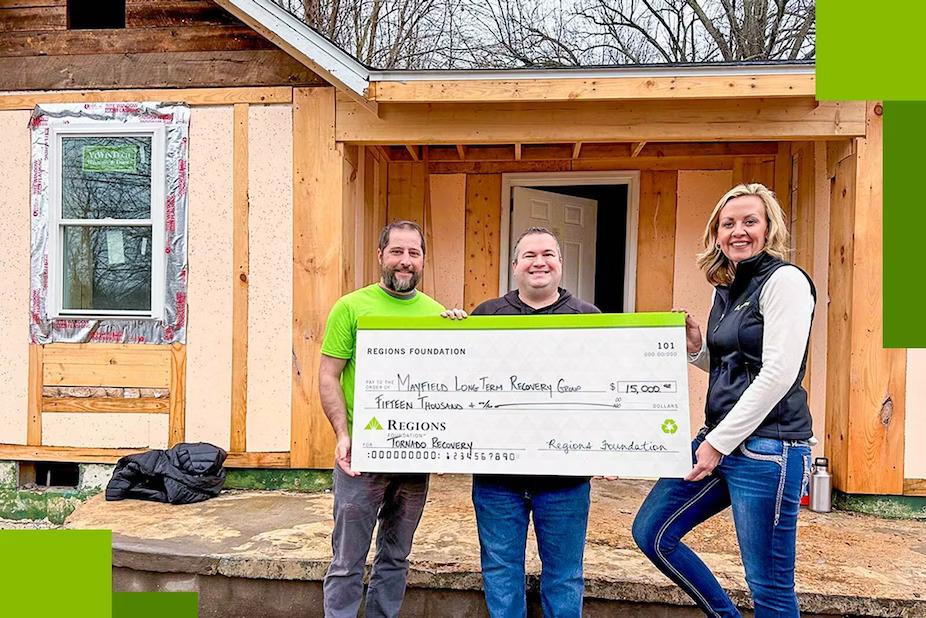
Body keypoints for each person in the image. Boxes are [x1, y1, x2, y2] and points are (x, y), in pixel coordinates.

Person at [631, 183, 815, 617]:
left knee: (768, 586)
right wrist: (697, 346)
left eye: (750, 221)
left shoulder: (785, 281)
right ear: (716, 233)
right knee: (651, 532)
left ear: (769, 228)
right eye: (728, 223)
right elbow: (731, 366)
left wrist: (716, 444)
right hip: (722, 440)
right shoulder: (727, 288)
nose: (738, 231)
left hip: (769, 448)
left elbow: (777, 375)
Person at [319, 220, 462, 618]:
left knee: (396, 557)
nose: (405, 261)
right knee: (347, 561)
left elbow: (451, 384)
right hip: (361, 455)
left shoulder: (437, 314)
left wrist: (463, 336)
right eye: (397, 252)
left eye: (413, 253)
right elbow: (328, 375)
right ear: (380, 255)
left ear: (423, 260)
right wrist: (342, 434)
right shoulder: (351, 307)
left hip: (414, 458)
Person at [470, 226, 599, 618]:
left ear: (561, 264)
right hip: (497, 480)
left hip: (565, 480)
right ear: (514, 266)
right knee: (500, 572)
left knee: (564, 577)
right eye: (529, 255)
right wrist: (451, 332)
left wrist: (610, 449)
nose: (538, 262)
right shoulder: (486, 315)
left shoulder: (589, 318)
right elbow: (462, 385)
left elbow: (603, 391)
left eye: (548, 254)